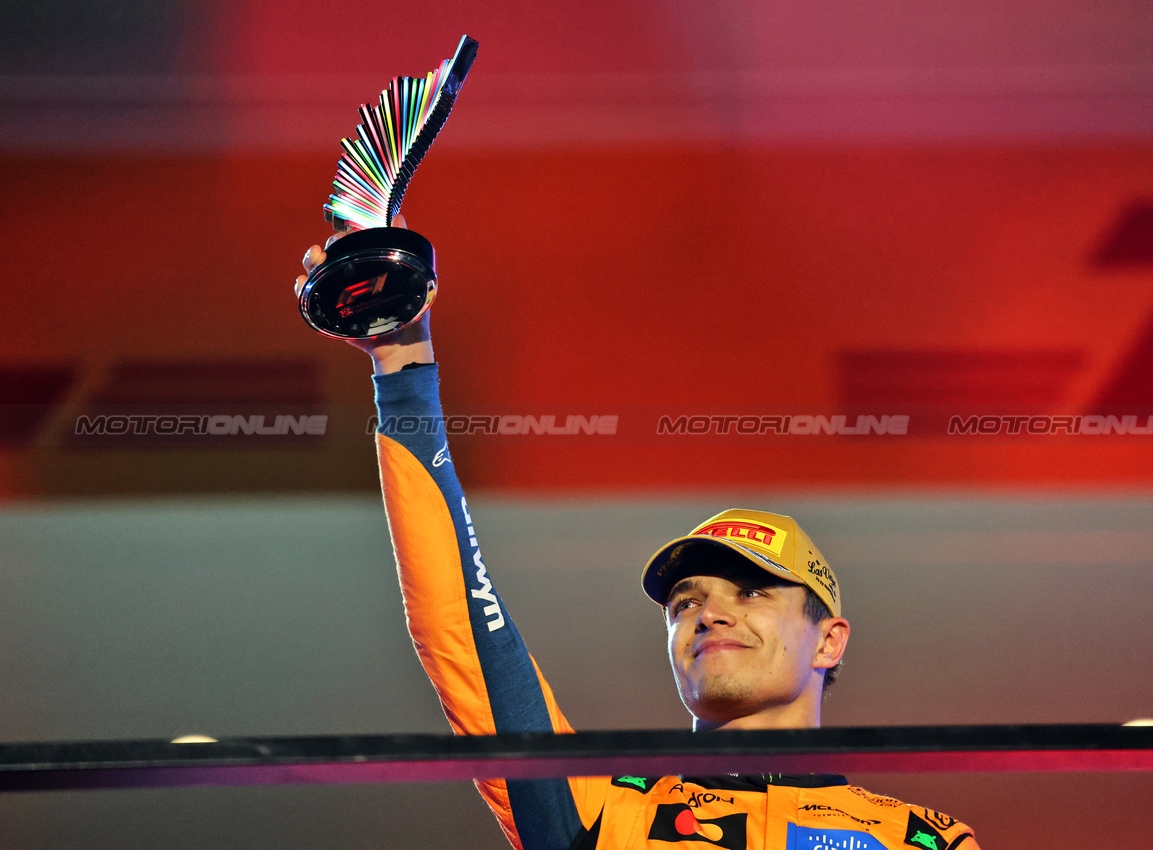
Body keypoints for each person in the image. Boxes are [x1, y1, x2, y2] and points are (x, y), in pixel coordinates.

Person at [297, 226, 980, 850]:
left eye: (751, 590)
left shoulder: (923, 838)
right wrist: (401, 358)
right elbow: (461, 630)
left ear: (829, 639)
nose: (708, 613)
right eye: (684, 603)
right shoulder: (603, 811)